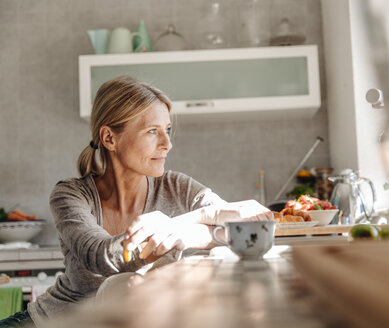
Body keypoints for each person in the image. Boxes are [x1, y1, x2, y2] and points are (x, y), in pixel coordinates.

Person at [0, 76, 272, 327]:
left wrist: (182, 232)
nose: (167, 143)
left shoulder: (177, 187)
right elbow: (102, 256)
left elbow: (243, 229)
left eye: (167, 129)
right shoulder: (71, 195)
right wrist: (198, 219)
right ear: (110, 138)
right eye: (152, 131)